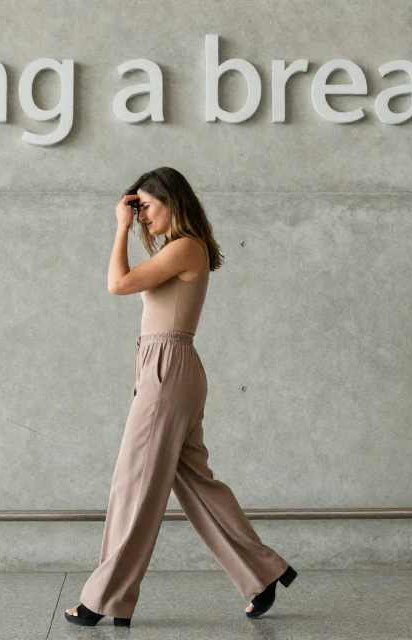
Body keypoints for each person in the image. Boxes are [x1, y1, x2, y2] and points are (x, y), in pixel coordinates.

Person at [64, 167, 297, 628]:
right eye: (137, 210)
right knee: (195, 485)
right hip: (168, 368)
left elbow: (118, 283)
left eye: (146, 207)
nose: (141, 216)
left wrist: (120, 227)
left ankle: (103, 599)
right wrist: (134, 222)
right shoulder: (180, 249)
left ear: (171, 201)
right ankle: (262, 571)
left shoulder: (186, 246)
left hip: (167, 370)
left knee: (135, 485)